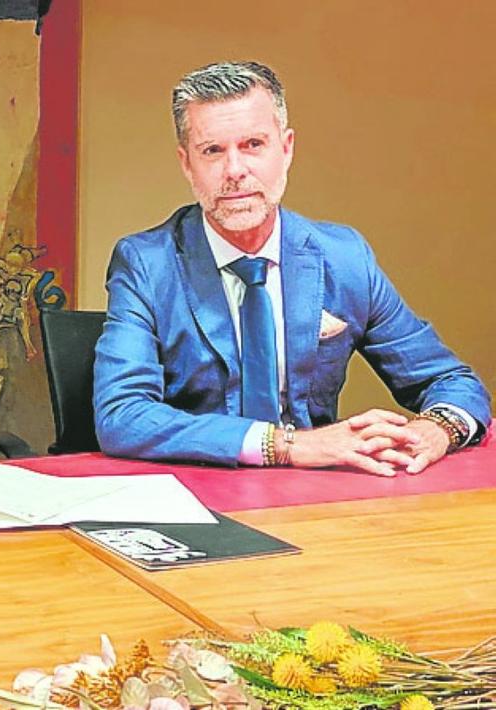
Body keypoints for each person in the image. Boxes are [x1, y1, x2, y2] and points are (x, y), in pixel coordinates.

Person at [94, 61, 489, 476]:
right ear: (186, 164)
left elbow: (451, 381)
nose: (235, 171)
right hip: (200, 487)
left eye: (253, 145)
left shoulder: (343, 257)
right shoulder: (146, 263)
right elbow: (123, 415)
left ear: (286, 150)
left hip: (312, 495)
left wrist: (435, 430)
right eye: (212, 151)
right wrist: (286, 445)